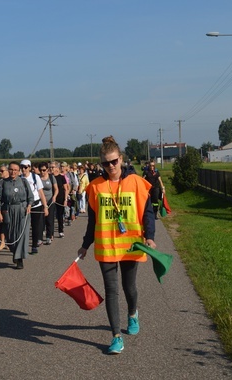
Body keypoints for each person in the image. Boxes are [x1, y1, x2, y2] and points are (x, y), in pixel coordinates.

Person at [78, 135, 157, 355]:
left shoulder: (137, 183)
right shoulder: (95, 187)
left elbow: (147, 213)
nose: (111, 166)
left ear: (121, 159)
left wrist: (149, 236)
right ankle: (116, 336)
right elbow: (93, 221)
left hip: (131, 246)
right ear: (100, 164)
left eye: (114, 161)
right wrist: (85, 244)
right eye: (106, 163)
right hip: (106, 247)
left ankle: (133, 313)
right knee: (111, 291)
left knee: (129, 287)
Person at [0, 161, 33, 269]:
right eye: (11, 169)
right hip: (8, 210)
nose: (13, 172)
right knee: (10, 236)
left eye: (15, 170)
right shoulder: (3, 182)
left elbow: (31, 197)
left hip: (22, 210)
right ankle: (15, 251)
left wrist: (29, 205)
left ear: (19, 171)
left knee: (21, 234)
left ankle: (19, 259)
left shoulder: (24, 181)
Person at [37, 162, 57, 248]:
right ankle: (39, 238)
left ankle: (49, 236)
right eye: (41, 170)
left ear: (47, 170)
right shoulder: (37, 178)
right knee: (40, 221)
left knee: (49, 219)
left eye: (44, 170)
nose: (42, 172)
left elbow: (56, 189)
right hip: (40, 201)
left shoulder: (51, 177)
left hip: (50, 201)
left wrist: (54, 197)